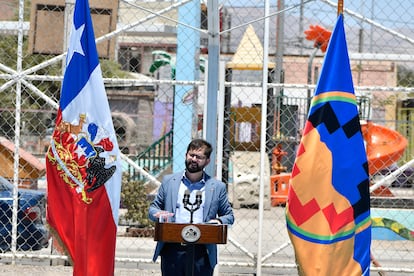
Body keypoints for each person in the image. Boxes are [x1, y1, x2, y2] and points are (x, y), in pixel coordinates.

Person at [148, 138, 234, 276]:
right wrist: (157, 214)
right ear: (186, 155)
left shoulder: (217, 187)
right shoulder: (169, 182)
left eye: (199, 157)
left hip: (202, 251)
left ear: (207, 161)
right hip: (173, 249)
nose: (193, 159)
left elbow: (229, 216)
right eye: (191, 155)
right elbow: (153, 208)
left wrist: (218, 221)